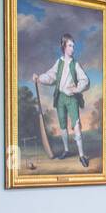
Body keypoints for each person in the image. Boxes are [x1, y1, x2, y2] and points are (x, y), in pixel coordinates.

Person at [34, 34, 91, 167]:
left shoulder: (75, 64)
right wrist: (39, 78)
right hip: (60, 98)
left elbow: (85, 80)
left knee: (76, 124)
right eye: (70, 46)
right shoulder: (59, 63)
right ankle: (66, 150)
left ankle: (81, 155)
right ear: (64, 46)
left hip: (71, 99)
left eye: (73, 46)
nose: (72, 49)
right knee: (62, 125)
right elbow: (50, 76)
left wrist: (76, 89)